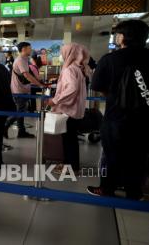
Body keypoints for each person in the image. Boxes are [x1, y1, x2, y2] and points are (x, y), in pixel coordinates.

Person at [87, 20, 149, 200]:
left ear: (121, 37)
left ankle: (107, 188)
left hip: (116, 117)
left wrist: (113, 96)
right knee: (139, 155)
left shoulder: (110, 59)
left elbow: (97, 84)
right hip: (144, 118)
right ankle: (134, 192)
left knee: (111, 153)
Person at [46, 43, 89, 173]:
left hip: (68, 110)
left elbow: (71, 88)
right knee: (70, 139)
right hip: (75, 110)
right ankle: (69, 164)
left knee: (69, 140)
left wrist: (55, 100)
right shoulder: (80, 68)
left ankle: (72, 167)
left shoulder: (69, 69)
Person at [5, 42, 46, 138]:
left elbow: (30, 72)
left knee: (22, 110)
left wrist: (39, 80)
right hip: (19, 90)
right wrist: (39, 85)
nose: (31, 50)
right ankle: (6, 124)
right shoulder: (20, 60)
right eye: (29, 48)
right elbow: (26, 75)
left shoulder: (25, 59)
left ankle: (21, 131)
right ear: (23, 49)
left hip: (24, 88)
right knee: (21, 111)